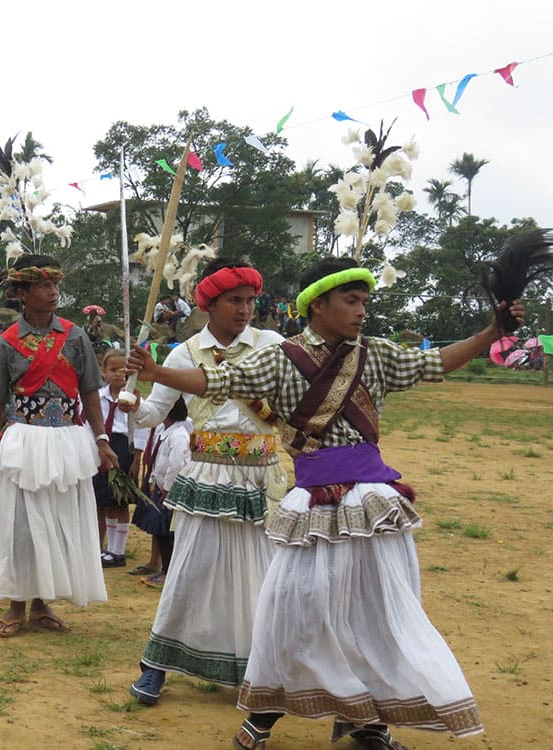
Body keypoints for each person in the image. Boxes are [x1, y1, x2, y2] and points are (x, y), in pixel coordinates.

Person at [128, 256, 511, 749]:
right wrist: (158, 370)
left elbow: (433, 364)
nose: (361, 311)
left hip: (373, 503)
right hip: (310, 504)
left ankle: (367, 720)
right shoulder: (278, 358)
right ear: (318, 305)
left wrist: (490, 332)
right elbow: (217, 383)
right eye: (351, 301)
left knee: (376, 608)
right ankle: (263, 711)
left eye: (364, 302)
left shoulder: (375, 354)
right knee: (295, 604)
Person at [125, 258, 283, 707]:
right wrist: (133, 403)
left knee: (269, 575)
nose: (245, 309)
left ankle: (267, 672)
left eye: (250, 301)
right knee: (191, 569)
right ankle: (155, 666)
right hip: (208, 475)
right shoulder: (184, 352)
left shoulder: (272, 344)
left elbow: (292, 402)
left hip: (263, 478)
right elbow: (154, 413)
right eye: (235, 301)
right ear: (208, 305)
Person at [0, 255, 117, 636]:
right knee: (21, 523)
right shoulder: (6, 343)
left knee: (57, 520)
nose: (53, 293)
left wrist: (101, 439)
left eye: (55, 285)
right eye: (44, 286)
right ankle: (16, 604)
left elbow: (90, 392)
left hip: (68, 438)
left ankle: (41, 603)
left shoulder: (76, 335)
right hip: (24, 440)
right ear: (22, 293)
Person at [92, 348, 148, 567]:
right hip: (102, 447)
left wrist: (137, 458)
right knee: (101, 501)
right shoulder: (97, 397)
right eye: (112, 369)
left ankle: (118, 551)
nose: (117, 374)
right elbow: (92, 422)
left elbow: (141, 427)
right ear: (104, 371)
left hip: (124, 448)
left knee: (120, 501)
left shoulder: (133, 398)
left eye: (121, 370)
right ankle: (99, 548)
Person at [128, 397, 192, 585]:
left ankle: (169, 572)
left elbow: (177, 463)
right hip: (160, 487)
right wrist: (154, 480)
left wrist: (167, 487)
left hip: (169, 491)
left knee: (168, 534)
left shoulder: (179, 434)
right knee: (160, 532)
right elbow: (159, 461)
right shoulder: (165, 431)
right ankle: (164, 569)